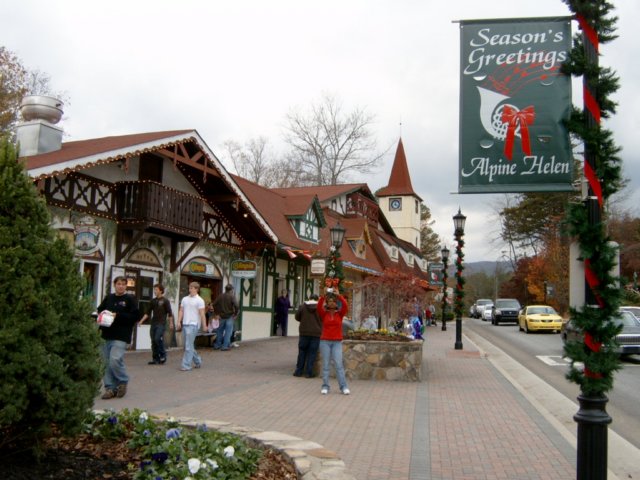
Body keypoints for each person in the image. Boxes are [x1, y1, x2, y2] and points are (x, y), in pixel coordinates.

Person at [97, 276, 140, 399]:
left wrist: (118, 315)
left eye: (123, 284)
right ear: (114, 285)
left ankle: (123, 380)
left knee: (115, 360)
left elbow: (135, 316)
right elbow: (100, 310)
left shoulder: (129, 299)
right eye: (118, 284)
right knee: (105, 362)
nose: (120, 286)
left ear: (126, 286)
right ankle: (110, 388)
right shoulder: (109, 297)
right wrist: (101, 315)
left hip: (121, 335)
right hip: (105, 334)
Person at [317, 290, 350, 395]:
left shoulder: (340, 314)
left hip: (337, 342)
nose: (331, 303)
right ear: (327, 303)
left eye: (333, 301)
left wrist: (339, 296)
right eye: (330, 301)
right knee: (326, 365)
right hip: (325, 341)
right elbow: (318, 307)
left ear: (336, 304)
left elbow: (345, 306)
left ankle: (343, 387)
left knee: (338, 364)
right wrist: (323, 296)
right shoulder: (324, 314)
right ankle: (325, 386)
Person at [139, 283, 173, 365]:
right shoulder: (153, 301)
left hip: (161, 323)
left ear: (161, 291)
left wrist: (171, 323)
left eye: (156, 289)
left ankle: (163, 355)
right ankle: (155, 359)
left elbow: (170, 313)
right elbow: (147, 312)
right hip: (153, 323)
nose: (155, 291)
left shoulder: (165, 301)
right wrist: (141, 321)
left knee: (157, 338)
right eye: (154, 289)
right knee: (153, 341)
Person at [177, 281, 206, 371]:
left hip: (193, 325)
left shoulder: (200, 300)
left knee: (188, 346)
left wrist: (204, 325)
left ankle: (186, 365)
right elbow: (181, 310)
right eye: (189, 288)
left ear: (197, 289)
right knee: (187, 346)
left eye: (192, 288)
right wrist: (179, 321)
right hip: (185, 324)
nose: (190, 290)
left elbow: (202, 314)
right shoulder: (184, 299)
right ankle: (198, 361)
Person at [293, 294, 322, 378]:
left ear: (309, 298)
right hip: (316, 333)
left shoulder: (302, 306)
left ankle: (298, 371)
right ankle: (309, 373)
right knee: (312, 353)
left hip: (304, 332)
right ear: (317, 299)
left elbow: (297, 317)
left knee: (302, 352)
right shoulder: (320, 307)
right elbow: (323, 318)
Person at [213, 284, 239, 351]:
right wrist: (235, 314)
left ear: (225, 289)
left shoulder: (220, 296)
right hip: (229, 316)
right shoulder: (232, 296)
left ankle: (217, 345)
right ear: (231, 290)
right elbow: (236, 306)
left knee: (219, 331)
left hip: (221, 316)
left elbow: (214, 304)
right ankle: (225, 346)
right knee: (228, 332)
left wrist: (217, 313)